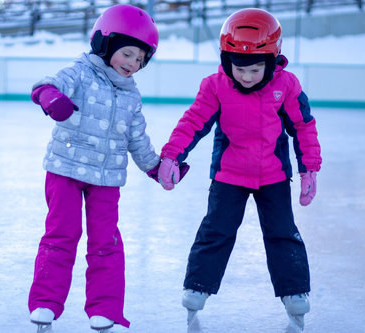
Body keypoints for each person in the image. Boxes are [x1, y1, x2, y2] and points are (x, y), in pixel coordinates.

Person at [157, 8, 322, 330]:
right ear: (226, 60)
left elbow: (303, 126)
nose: (246, 76)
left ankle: (294, 292)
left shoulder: (286, 85)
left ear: (271, 62)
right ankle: (198, 286)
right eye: (239, 68)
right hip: (228, 176)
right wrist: (171, 156)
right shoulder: (215, 86)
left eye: (255, 69)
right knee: (216, 230)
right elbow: (193, 122)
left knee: (282, 233)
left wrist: (309, 170)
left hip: (273, 176)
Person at [27, 4, 163, 332]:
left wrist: (155, 167)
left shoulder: (131, 96)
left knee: (106, 242)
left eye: (140, 59)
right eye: (127, 53)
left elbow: (137, 137)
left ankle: (105, 309)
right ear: (105, 43)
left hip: (106, 179)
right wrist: (50, 98)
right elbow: (48, 85)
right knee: (61, 234)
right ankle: (45, 302)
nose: (132, 64)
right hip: (66, 171)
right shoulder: (81, 72)